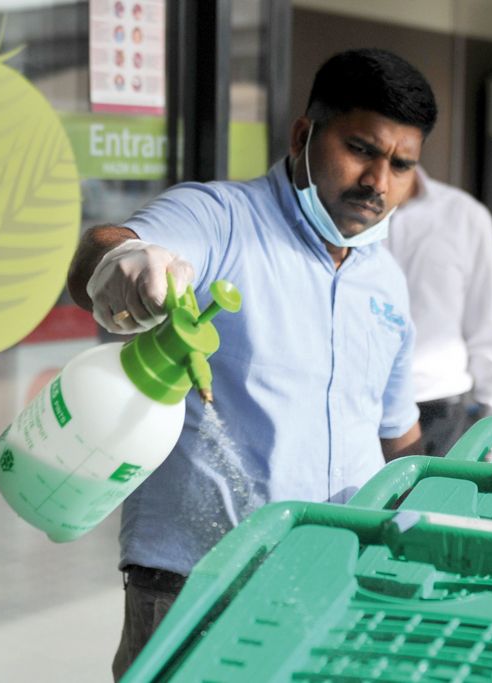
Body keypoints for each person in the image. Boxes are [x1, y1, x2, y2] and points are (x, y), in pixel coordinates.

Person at [65, 48, 437, 680]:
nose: (378, 181)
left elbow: (396, 438)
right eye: (361, 149)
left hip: (332, 577)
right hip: (197, 585)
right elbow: (111, 247)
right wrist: (118, 264)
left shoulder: (388, 283)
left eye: (401, 165)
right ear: (304, 134)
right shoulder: (221, 218)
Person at [382, 166, 492, 457]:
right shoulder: (341, 214)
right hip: (358, 412)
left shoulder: (464, 215)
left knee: (433, 502)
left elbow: (491, 327)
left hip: (437, 409)